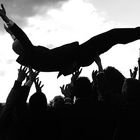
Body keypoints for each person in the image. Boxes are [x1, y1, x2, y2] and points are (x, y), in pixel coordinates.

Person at [1, 4, 140, 77]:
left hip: (78, 59)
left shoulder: (28, 58)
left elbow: (19, 43)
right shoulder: (30, 53)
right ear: (23, 49)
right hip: (79, 54)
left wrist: (10, 33)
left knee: (113, 38)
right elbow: (23, 38)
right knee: (112, 35)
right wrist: (6, 20)